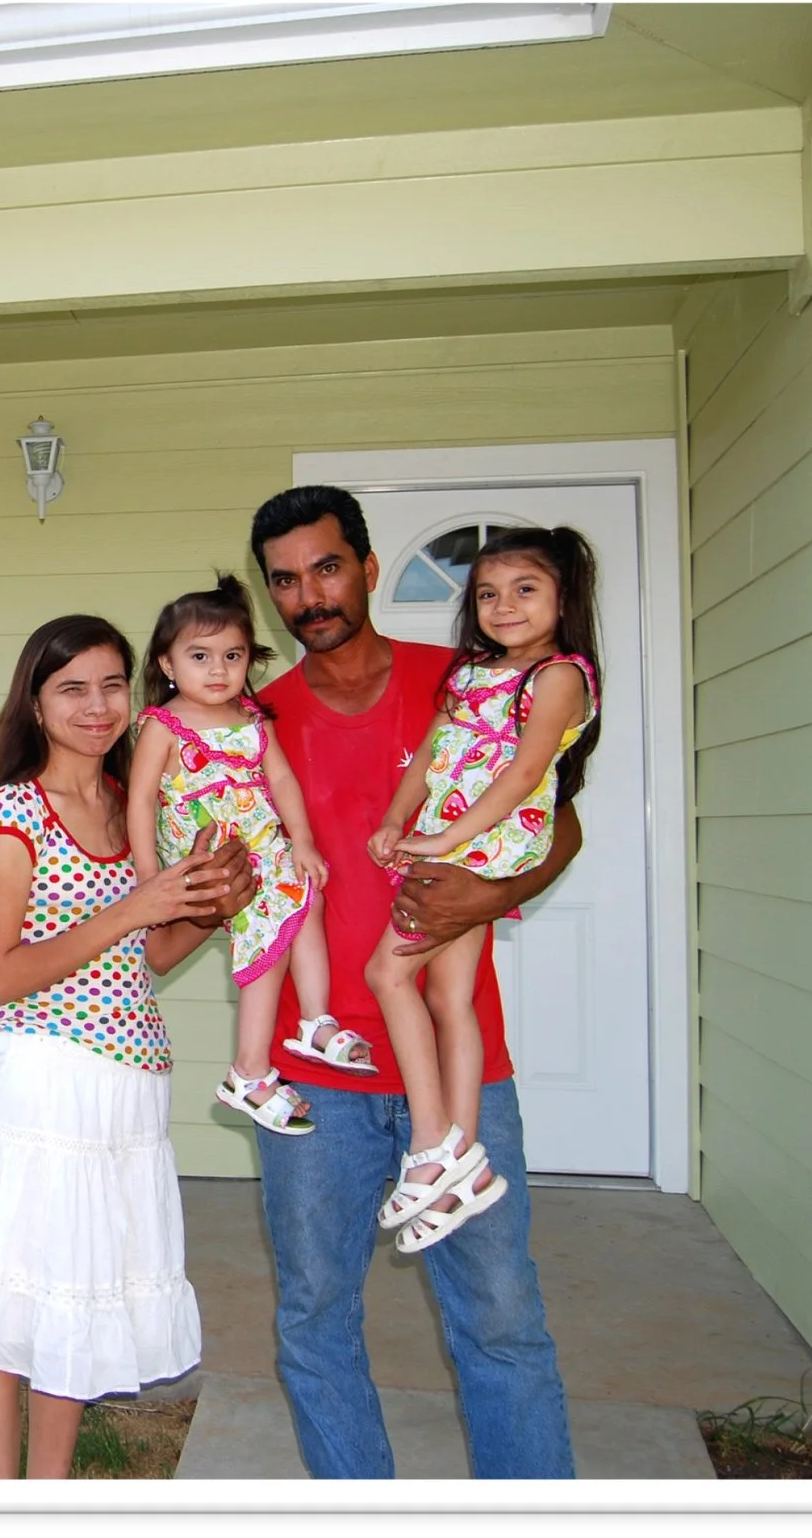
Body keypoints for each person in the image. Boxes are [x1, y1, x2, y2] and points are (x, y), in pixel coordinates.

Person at [246, 485, 579, 1479]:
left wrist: (491, 895)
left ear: (367, 566)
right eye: (284, 580)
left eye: (326, 568)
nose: (309, 595)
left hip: (460, 1063)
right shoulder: (257, 718)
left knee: (502, 1321)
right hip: (315, 1078)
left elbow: (558, 820)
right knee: (314, 1321)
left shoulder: (466, 678)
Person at [0, 613, 257, 1479]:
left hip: (129, 1085)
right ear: (35, 704)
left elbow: (149, 954)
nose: (97, 706)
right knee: (7, 1303)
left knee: (75, 1297)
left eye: (112, 686)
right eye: (72, 689)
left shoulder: (128, 803)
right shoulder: (14, 812)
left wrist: (214, 907)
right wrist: (136, 907)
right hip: (48, 1080)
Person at [366, 527, 602, 1254]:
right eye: (489, 594)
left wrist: (446, 839)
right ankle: (461, 1164)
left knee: (387, 973)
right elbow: (430, 756)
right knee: (448, 995)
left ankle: (431, 1143)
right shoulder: (470, 674)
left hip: (485, 844)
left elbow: (526, 772)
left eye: (525, 590)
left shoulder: (559, 676)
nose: (504, 606)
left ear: (564, 598)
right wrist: (397, 818)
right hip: (450, 832)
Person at [126, 576, 376, 1140]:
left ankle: (315, 1021)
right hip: (208, 852)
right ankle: (249, 1070)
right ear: (168, 664)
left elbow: (282, 781)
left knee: (306, 899)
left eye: (232, 656)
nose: (218, 669)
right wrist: (148, 875)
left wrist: (302, 841)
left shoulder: (251, 719)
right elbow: (140, 801)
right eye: (200, 656)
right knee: (268, 924)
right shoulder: (164, 725)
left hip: (262, 845)